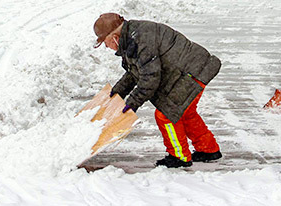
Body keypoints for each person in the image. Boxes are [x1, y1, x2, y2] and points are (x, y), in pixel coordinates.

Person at [93, 12, 222, 168]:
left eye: (106, 42)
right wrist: (117, 92)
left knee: (166, 114)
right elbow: (136, 72)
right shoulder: (132, 38)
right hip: (191, 69)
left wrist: (132, 103)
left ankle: (180, 157)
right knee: (186, 112)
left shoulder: (141, 40)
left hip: (192, 71)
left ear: (114, 37)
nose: (107, 47)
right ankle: (208, 149)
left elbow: (150, 77)